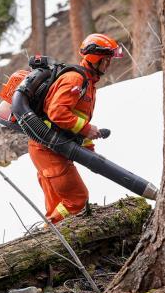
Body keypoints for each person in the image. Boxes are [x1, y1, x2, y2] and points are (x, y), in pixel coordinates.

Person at [28, 33, 122, 224]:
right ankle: (49, 233)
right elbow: (57, 113)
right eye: (106, 60)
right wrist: (87, 129)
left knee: (58, 206)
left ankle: (51, 234)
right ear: (95, 59)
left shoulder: (88, 84)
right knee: (77, 200)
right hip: (48, 149)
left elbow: (77, 121)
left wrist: (90, 154)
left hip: (51, 148)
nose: (109, 64)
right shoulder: (75, 79)